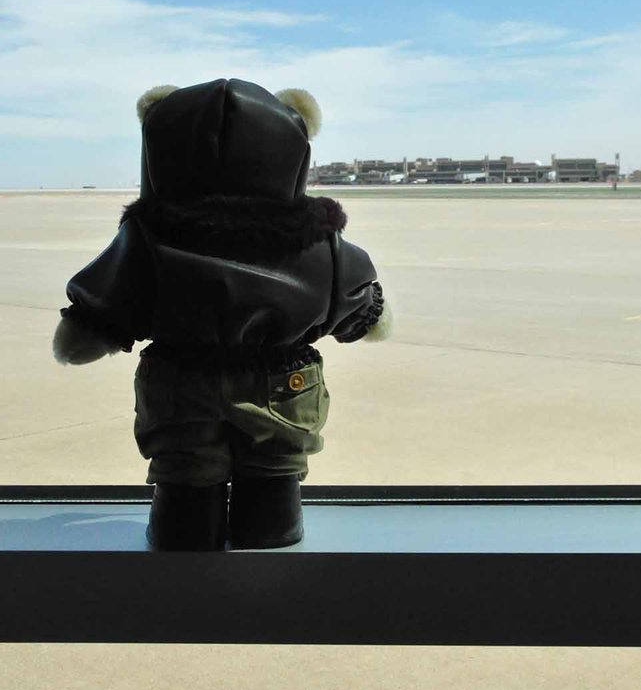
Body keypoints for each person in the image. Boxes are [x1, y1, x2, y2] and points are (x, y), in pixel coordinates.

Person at [52, 78, 391, 551]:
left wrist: (89, 328)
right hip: (283, 379)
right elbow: (353, 296)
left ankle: (183, 537)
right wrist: (367, 317)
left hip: (180, 380)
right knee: (275, 472)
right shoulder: (318, 242)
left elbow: (108, 299)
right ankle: (271, 531)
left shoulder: (148, 235)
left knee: (184, 477)